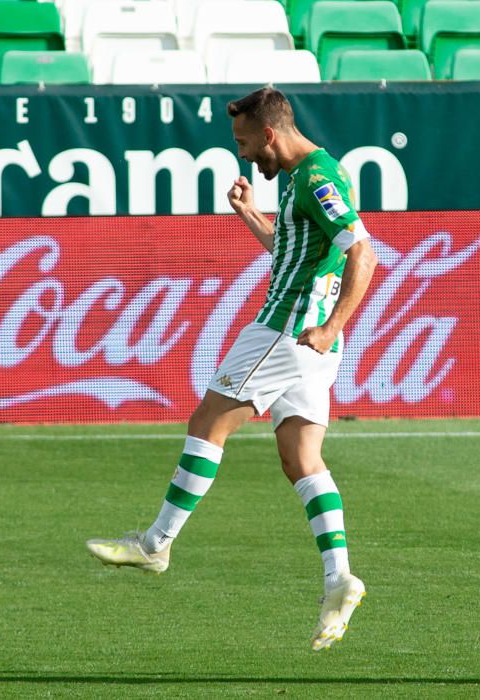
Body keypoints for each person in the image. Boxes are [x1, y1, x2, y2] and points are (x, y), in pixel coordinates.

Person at [86, 87, 379, 652]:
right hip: (310, 343)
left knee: (207, 424)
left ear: (269, 132)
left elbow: (363, 253)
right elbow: (295, 249)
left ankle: (155, 543)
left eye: (245, 143)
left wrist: (331, 326)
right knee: (301, 458)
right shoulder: (303, 175)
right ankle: (339, 578)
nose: (245, 155)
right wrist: (250, 214)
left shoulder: (316, 178)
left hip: (286, 330)